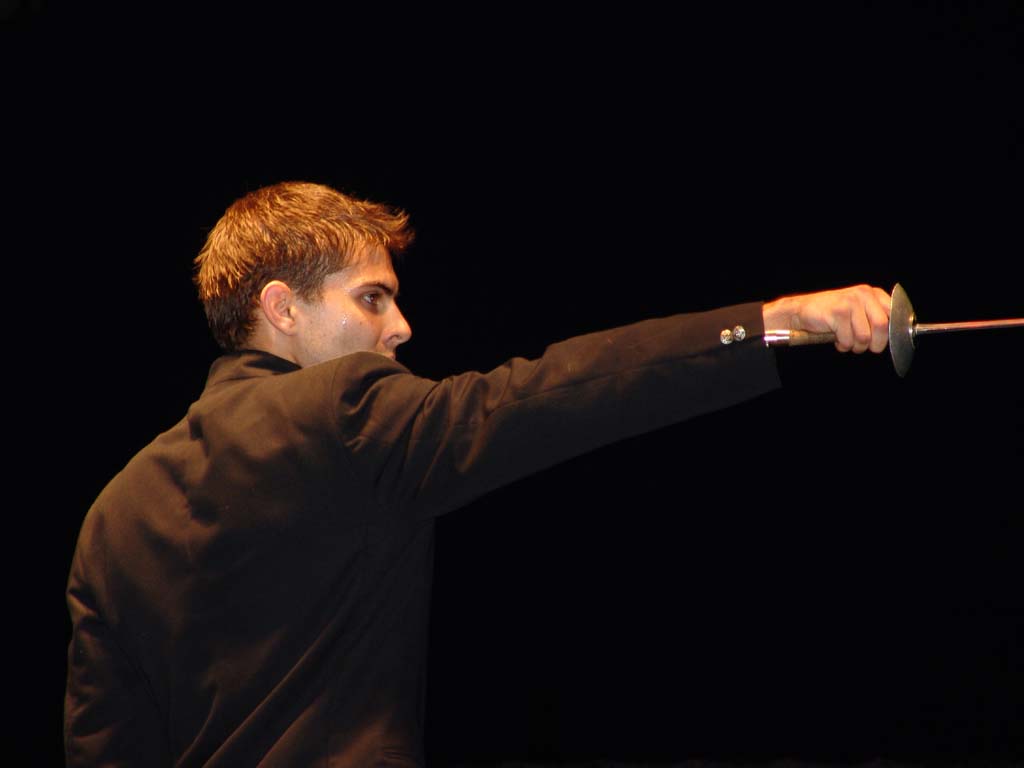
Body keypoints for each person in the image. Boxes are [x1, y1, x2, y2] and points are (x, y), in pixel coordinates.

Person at [64, 180, 892, 767]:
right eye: (372, 299)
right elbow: (551, 394)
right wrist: (772, 323)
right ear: (282, 308)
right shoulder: (346, 412)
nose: (401, 327)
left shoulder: (112, 514)